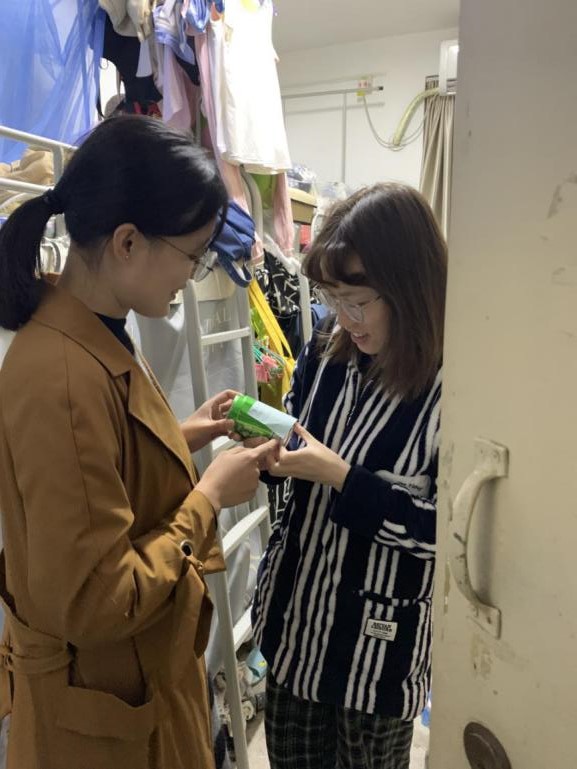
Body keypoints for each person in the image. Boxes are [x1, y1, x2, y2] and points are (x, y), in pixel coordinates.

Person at [0, 115, 277, 769]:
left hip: (134, 684)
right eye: (192, 253)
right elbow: (99, 598)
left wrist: (181, 434)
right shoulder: (62, 375)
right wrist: (208, 497)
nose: (195, 272)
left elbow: (100, 469)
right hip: (102, 721)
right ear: (128, 242)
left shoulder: (97, 326)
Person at [252, 183, 447, 769]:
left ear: (409, 289)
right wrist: (269, 451)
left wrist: (342, 477)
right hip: (292, 628)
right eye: (332, 299)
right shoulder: (327, 351)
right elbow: (297, 431)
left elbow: (448, 532)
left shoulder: (450, 386)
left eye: (358, 302)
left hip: (376, 659)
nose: (345, 318)